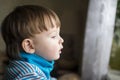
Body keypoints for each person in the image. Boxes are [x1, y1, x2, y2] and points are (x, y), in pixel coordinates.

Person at [1, 5, 64, 80]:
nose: (61, 40)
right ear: (29, 46)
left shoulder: (22, 64)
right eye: (53, 36)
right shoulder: (28, 74)